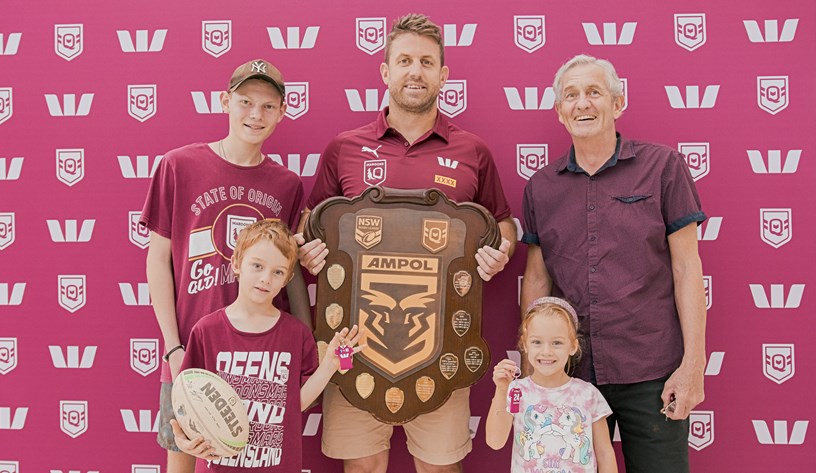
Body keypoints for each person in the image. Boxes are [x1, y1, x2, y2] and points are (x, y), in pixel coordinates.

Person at [296, 13, 516, 473]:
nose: (415, 71)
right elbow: (309, 223)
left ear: (443, 74)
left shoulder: (472, 150)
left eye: (426, 62)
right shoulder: (344, 147)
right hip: (350, 347)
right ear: (385, 71)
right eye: (404, 61)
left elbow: (501, 223)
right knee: (363, 466)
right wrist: (305, 248)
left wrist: (503, 251)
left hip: (443, 346)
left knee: (440, 466)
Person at [520, 54, 707, 472]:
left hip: (653, 370)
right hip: (570, 375)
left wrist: (693, 366)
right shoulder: (541, 187)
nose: (582, 103)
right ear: (560, 111)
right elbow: (536, 279)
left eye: (594, 92)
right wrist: (534, 372)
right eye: (571, 95)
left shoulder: (664, 168)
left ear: (617, 103)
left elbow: (687, 269)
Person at [141, 58, 309, 473]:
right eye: (245, 101)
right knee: (181, 461)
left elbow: (291, 273)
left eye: (268, 106)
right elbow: (158, 261)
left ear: (282, 112)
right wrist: (173, 348)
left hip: (258, 361)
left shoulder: (287, 185)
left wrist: (308, 342)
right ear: (224, 102)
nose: (256, 114)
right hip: (190, 350)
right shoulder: (178, 165)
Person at [170, 220, 365, 472]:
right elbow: (186, 401)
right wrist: (183, 440)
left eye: (278, 272)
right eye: (257, 266)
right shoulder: (206, 331)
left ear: (287, 279)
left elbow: (296, 405)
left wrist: (330, 365)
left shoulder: (297, 334)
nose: (265, 279)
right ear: (237, 264)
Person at [486, 297, 617, 473]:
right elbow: (495, 441)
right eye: (537, 342)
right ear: (525, 344)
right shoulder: (516, 391)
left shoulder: (588, 394)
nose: (546, 351)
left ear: (573, 346)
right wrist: (502, 390)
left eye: (557, 343)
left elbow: (605, 454)